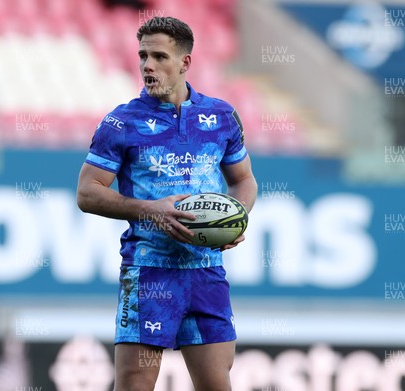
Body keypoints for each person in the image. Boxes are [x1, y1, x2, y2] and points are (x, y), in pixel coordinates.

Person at [77, 16, 257, 390]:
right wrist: (150, 209)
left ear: (185, 63)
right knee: (134, 384)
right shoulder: (121, 122)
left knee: (216, 384)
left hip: (206, 270)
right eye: (143, 55)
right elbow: (87, 192)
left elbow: (244, 181)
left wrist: (237, 220)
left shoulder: (221, 116)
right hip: (149, 272)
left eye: (159, 56)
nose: (147, 65)